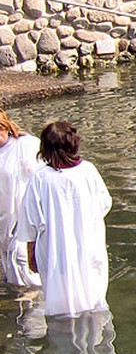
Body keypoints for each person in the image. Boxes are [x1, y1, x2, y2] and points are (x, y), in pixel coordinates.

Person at [15, 121, 113, 317]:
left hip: (54, 249)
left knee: (59, 299)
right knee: (91, 294)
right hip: (88, 244)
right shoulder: (88, 171)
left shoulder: (40, 178)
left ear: (44, 149)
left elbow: (30, 220)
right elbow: (104, 204)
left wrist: (31, 253)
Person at [0, 111, 42, 286]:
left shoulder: (25, 145)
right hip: (3, 221)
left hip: (24, 219)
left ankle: (37, 309)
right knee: (11, 269)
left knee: (25, 267)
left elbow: (43, 179)